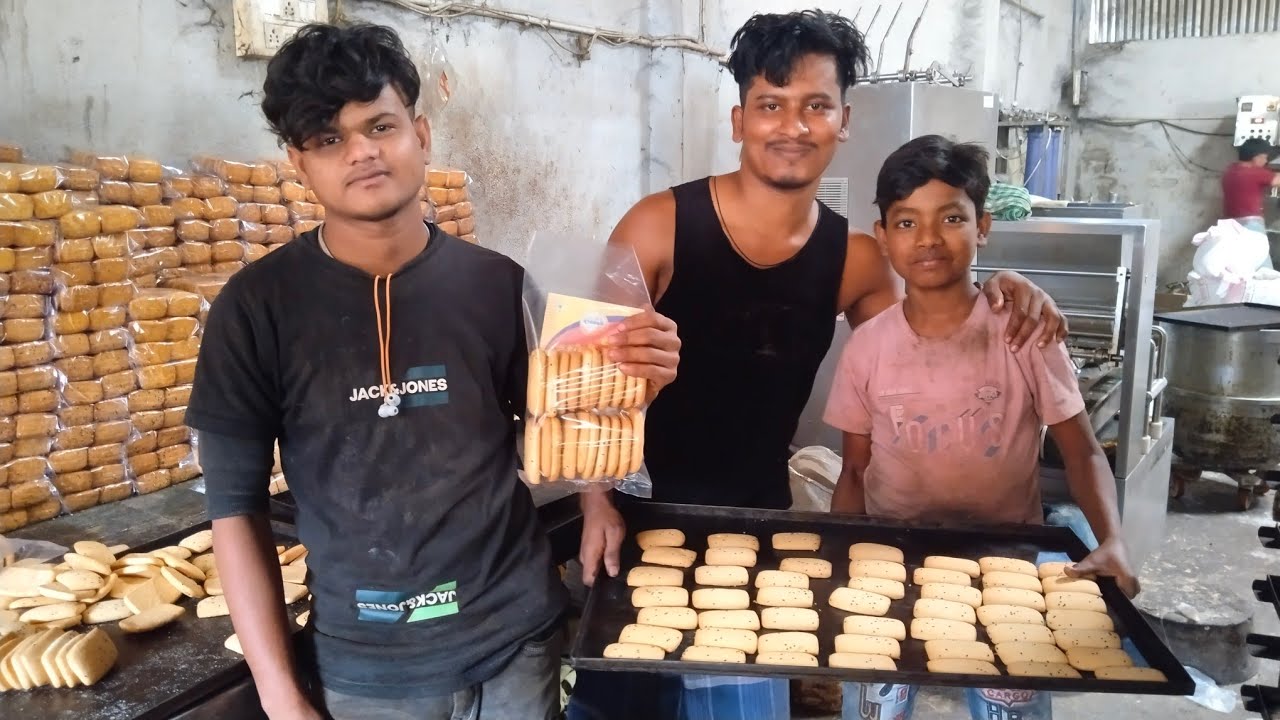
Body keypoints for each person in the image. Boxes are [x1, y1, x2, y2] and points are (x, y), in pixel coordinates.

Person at [568, 9, 1067, 720]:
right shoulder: (657, 225)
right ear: (740, 120)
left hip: (761, 530)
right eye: (771, 105)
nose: (792, 127)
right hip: (634, 524)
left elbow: (924, 342)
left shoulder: (857, 261)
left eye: (815, 107)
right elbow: (584, 378)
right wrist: (593, 500)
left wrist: (1003, 289)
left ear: (845, 120)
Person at [187, 23, 679, 720]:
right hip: (369, 671)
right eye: (329, 139)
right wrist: (279, 696)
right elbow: (233, 510)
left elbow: (567, 416)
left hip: (517, 642)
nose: (361, 152)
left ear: (421, 134)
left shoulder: (498, 285)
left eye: (379, 125)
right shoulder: (258, 307)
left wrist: (638, 388)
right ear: (299, 161)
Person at [824, 134, 1139, 720]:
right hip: (896, 559)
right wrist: (846, 557)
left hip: (1009, 559)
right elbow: (855, 468)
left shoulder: (1023, 332)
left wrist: (1113, 539)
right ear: (882, 236)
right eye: (906, 222)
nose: (928, 239)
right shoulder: (867, 348)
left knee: (1009, 705)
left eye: (950, 218)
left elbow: (1082, 453)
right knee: (874, 704)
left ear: (983, 226)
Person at [1222, 136, 1280, 233]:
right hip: (1250, 224)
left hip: (1229, 224)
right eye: (1264, 157)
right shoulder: (1254, 172)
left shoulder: (1231, 170)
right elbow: (1277, 181)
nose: (1266, 161)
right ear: (1256, 157)